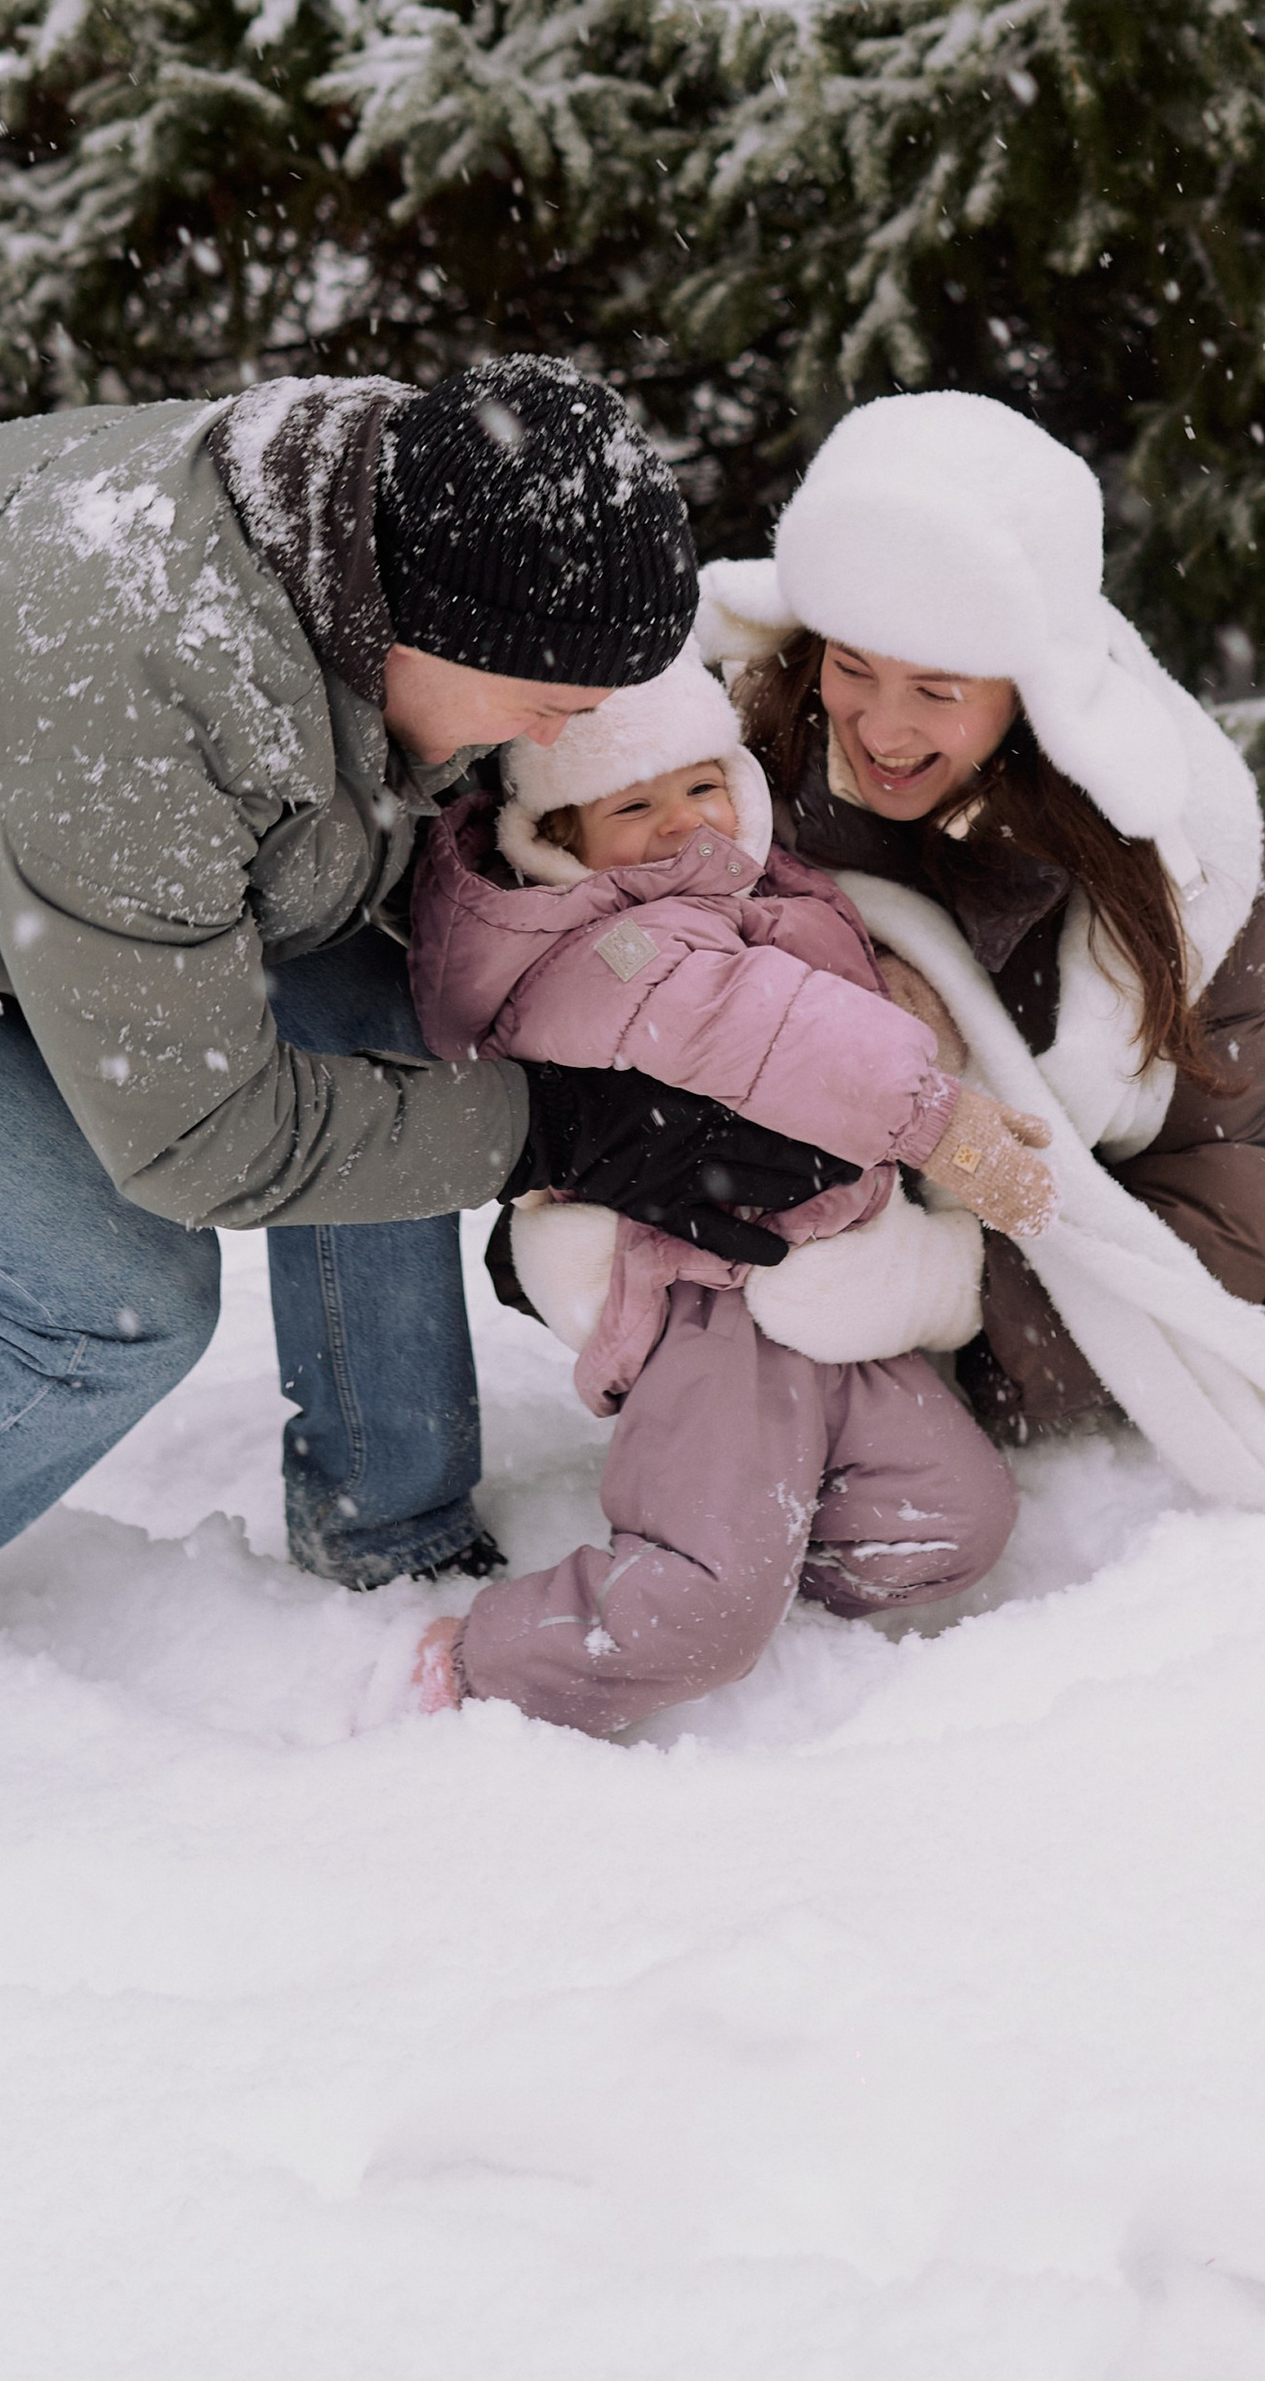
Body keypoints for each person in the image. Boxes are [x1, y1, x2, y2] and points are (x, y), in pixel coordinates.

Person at [0, 358, 782, 1736]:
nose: (565, 735)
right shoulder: (125, 705)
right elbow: (205, 1139)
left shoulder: (380, 517)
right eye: (544, 698)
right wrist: (560, 1127)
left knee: (385, 1034)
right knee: (111, 1296)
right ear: (420, 629)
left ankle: (388, 1522)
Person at [701, 393, 1265, 1445]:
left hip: (1131, 1145)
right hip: (864, 1157)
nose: (883, 726)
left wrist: (977, 1329)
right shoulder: (720, 765)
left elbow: (1238, 1158)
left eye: (936, 690)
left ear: (1028, 689)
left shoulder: (1173, 832)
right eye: (852, 668)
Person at [397, 651, 1040, 1734]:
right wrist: (939, 1120)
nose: (677, 823)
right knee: (696, 1608)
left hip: (825, 1273)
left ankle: (757, 1532)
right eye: (631, 803)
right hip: (708, 1291)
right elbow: (758, 1022)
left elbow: (820, 994)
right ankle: (494, 1657)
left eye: (698, 787)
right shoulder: (614, 941)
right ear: (559, 839)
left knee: (948, 1519)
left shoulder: (751, 888)